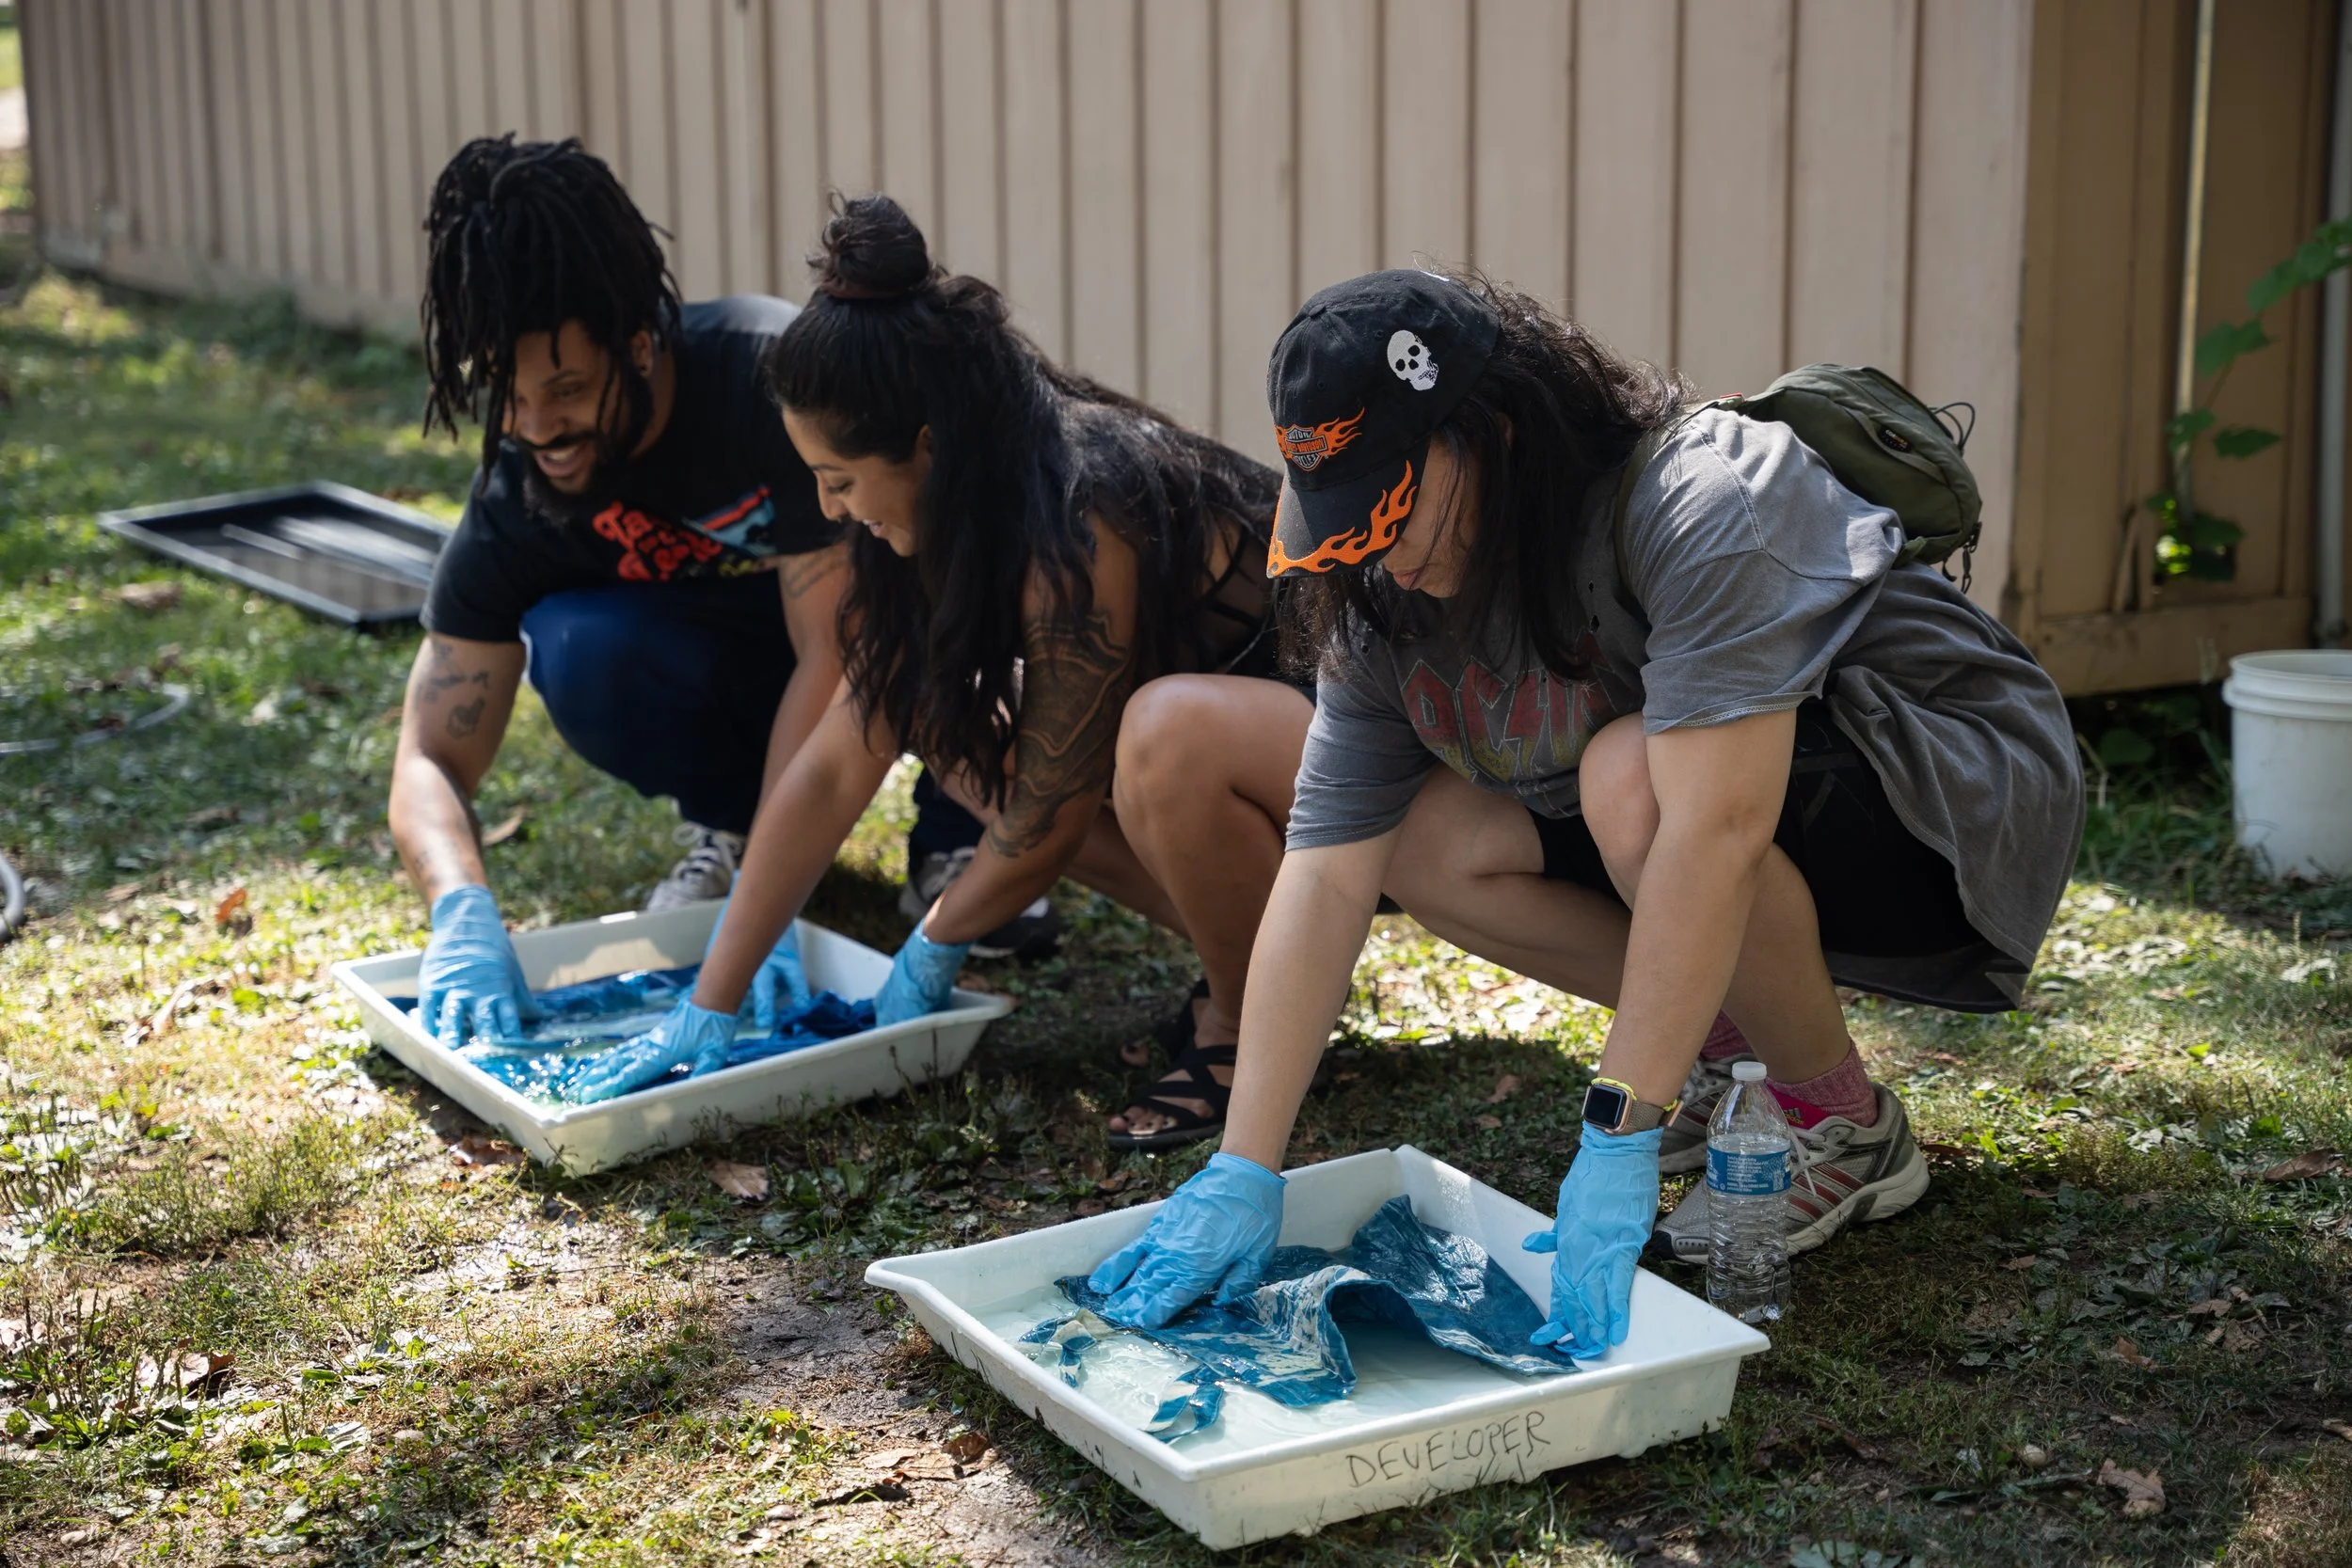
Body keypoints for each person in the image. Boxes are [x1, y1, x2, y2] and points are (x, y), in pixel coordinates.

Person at [1086, 270, 2083, 1354]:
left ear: (1497, 430)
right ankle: (1728, 1059)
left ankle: (1839, 1122)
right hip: (1706, 806)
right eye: (1348, 518)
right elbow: (1326, 868)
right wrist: (1245, 1162)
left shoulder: (1698, 494)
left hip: (1941, 790)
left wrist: (1616, 1130)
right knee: (1422, 840)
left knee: (1627, 774)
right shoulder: (1377, 599)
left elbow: (1715, 828)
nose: (1380, 552)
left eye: (1396, 501)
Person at [565, 195, 1316, 1123]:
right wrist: (711, 992)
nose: (830, 508)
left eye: (838, 480)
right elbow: (839, 759)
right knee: (929, 711)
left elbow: (1053, 804)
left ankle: (1252, 1019)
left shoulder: (1081, 506)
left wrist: (933, 939)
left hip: (1347, 791)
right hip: (1242, 792)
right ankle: (1255, 969)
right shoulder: (932, 510)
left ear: (924, 446)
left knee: (1144, 746)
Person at [390, 138, 1038, 1047]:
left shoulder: (768, 384)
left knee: (920, 590)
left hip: (878, 656)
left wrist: (760, 914)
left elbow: (838, 652)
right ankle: (742, 830)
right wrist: (460, 911)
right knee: (578, 646)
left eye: (569, 390)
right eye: (511, 397)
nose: (539, 430)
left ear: (643, 346)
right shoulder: (520, 479)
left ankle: (950, 831)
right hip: (754, 677)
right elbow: (426, 754)